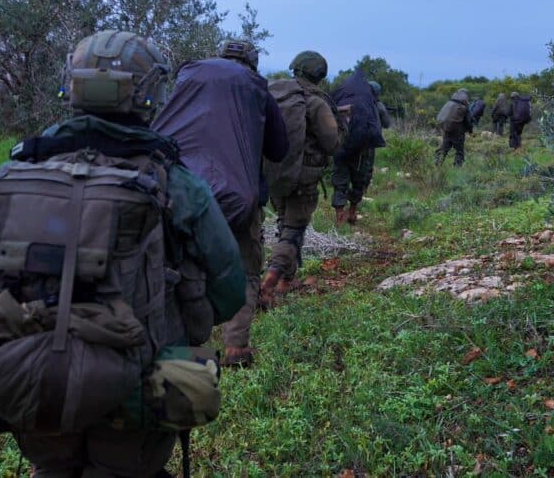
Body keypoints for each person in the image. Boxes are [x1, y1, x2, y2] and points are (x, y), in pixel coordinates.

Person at [0, 30, 245, 477]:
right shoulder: (175, 182)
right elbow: (229, 289)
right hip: (137, 381)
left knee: (51, 467)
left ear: (73, 87)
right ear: (150, 94)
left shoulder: (20, 168)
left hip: (27, 376)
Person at [152, 39, 287, 368]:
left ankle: (176, 345)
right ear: (253, 63)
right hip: (238, 197)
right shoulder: (256, 88)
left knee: (176, 265)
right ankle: (235, 348)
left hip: (179, 190)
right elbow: (279, 148)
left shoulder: (188, 79)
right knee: (246, 269)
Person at [260, 51, 341, 299]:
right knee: (293, 229)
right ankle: (270, 281)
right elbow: (331, 143)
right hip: (303, 176)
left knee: (284, 221)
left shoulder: (274, 93)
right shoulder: (317, 102)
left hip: (272, 171)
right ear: (319, 74)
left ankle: (287, 279)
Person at [330, 71, 387, 225]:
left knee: (340, 178)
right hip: (364, 149)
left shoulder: (345, 100)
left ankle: (339, 213)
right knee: (360, 179)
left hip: (342, 146)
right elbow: (386, 124)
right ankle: (353, 210)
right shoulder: (376, 106)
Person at [435, 88, 474, 166]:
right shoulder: (464, 106)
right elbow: (468, 121)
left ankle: (437, 162)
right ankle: (457, 167)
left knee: (445, 147)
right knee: (459, 150)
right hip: (457, 131)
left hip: (446, 128)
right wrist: (470, 130)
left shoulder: (449, 103)